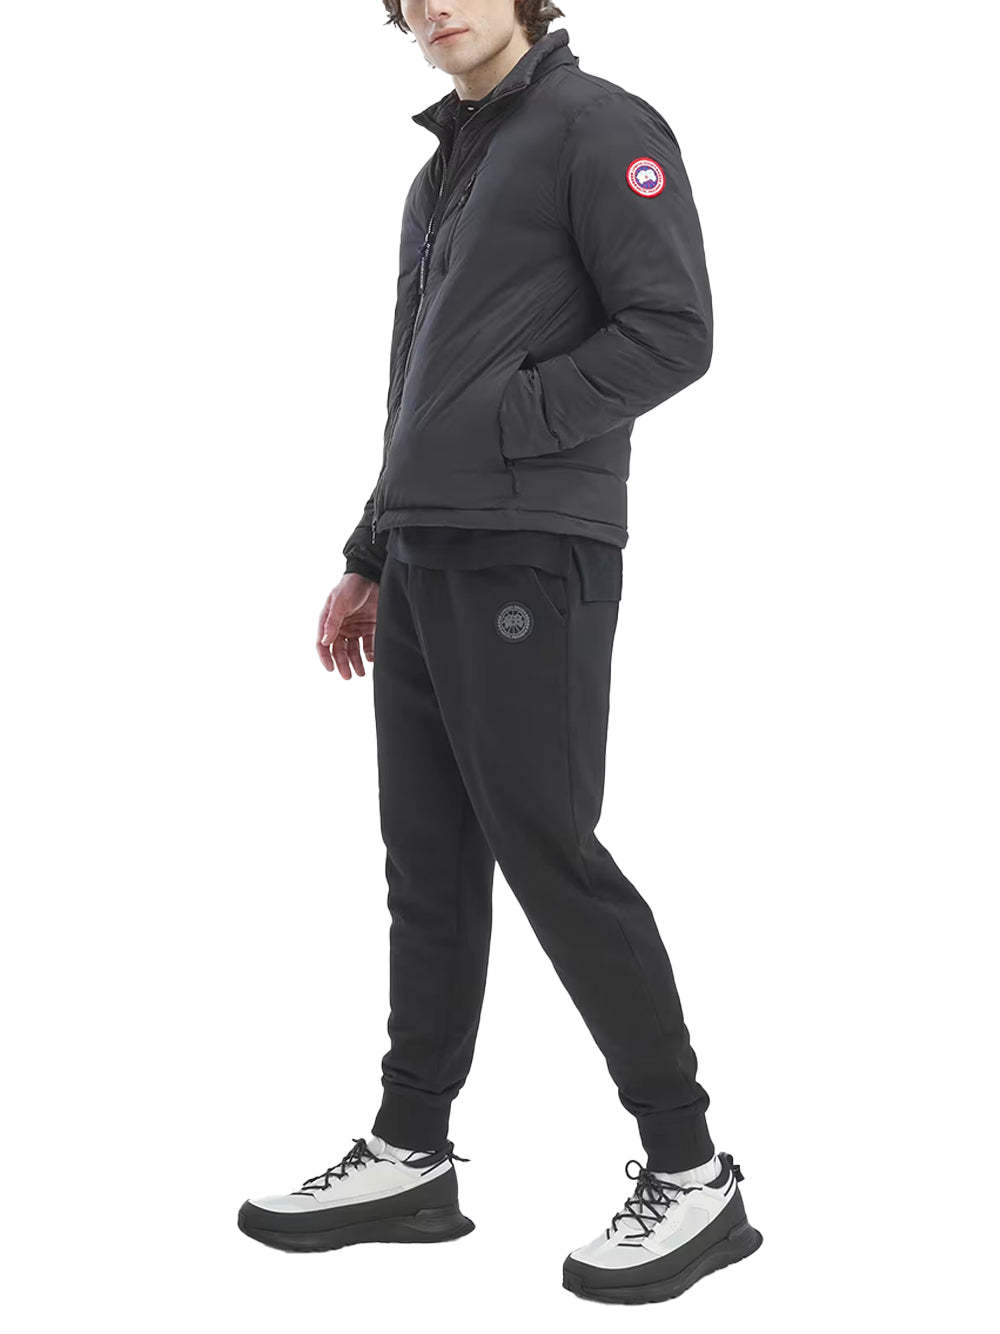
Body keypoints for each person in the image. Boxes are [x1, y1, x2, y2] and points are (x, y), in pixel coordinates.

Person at [238, 1, 762, 1304]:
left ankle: (692, 1170)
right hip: (425, 556)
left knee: (549, 850)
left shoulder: (598, 127)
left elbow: (673, 327)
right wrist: (370, 549)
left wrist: (511, 424)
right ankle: (410, 1152)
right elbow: (413, 384)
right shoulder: (439, 174)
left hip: (532, 551)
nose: (436, 6)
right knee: (427, 860)